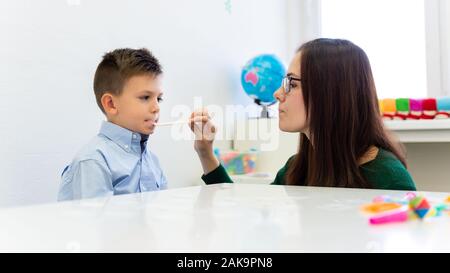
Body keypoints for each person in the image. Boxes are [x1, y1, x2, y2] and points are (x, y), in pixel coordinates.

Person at [191, 38, 416, 190]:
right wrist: (205, 153)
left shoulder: (389, 178)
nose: (278, 94)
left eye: (292, 84)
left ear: (331, 93)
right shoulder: (295, 169)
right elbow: (242, 215)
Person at [58, 48, 168, 201]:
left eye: (159, 99)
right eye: (145, 97)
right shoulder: (93, 162)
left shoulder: (153, 162)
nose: (156, 107)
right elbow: (97, 224)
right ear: (111, 104)